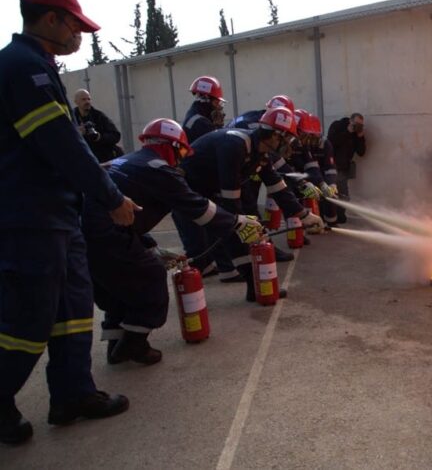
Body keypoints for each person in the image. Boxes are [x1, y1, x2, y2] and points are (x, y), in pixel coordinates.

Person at [0, 0, 139, 445]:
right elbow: (62, 144)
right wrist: (111, 198)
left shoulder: (38, 66)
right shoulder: (23, 68)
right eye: (76, 25)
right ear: (51, 19)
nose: (81, 35)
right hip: (28, 217)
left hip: (57, 216)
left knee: (74, 309)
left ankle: (73, 393)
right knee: (28, 319)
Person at [82, 119, 264, 365]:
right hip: (108, 237)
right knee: (151, 278)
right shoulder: (159, 169)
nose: (181, 159)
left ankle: (116, 346)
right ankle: (134, 345)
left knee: (119, 290)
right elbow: (197, 208)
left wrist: (147, 244)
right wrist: (237, 222)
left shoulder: (126, 161)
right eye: (180, 152)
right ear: (171, 147)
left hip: (85, 237)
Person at [177, 106, 323, 275]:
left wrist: (304, 215)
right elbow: (231, 199)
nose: (288, 146)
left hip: (208, 188)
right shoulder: (235, 146)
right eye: (287, 139)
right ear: (275, 135)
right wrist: (244, 226)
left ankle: (239, 279)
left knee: (233, 228)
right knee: (228, 232)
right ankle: (244, 281)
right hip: (188, 190)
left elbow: (277, 186)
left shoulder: (260, 152)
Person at [178, 75, 237, 280]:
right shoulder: (200, 123)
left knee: (200, 225)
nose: (219, 108)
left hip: (193, 179)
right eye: (217, 102)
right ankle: (223, 267)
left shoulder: (196, 118)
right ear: (208, 100)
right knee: (212, 223)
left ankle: (207, 265)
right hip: (196, 181)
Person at [327, 112, 366, 224]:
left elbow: (361, 152)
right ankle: (329, 215)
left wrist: (360, 137)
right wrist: (347, 132)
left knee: (344, 195)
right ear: (350, 120)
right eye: (356, 124)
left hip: (344, 168)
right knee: (331, 193)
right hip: (332, 166)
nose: (357, 127)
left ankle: (340, 215)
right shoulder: (337, 125)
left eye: (360, 125)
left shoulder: (356, 134)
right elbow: (331, 143)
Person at [72, 88, 123, 162]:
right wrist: (77, 134)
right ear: (76, 102)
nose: (87, 102)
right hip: (82, 159)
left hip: (102, 159)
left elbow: (116, 135)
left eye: (89, 99)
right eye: (83, 99)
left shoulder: (99, 116)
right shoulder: (71, 118)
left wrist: (98, 137)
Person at [182, 75, 226, 143]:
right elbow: (221, 143)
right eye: (216, 103)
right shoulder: (201, 123)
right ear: (206, 100)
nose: (219, 107)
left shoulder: (194, 114)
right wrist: (218, 126)